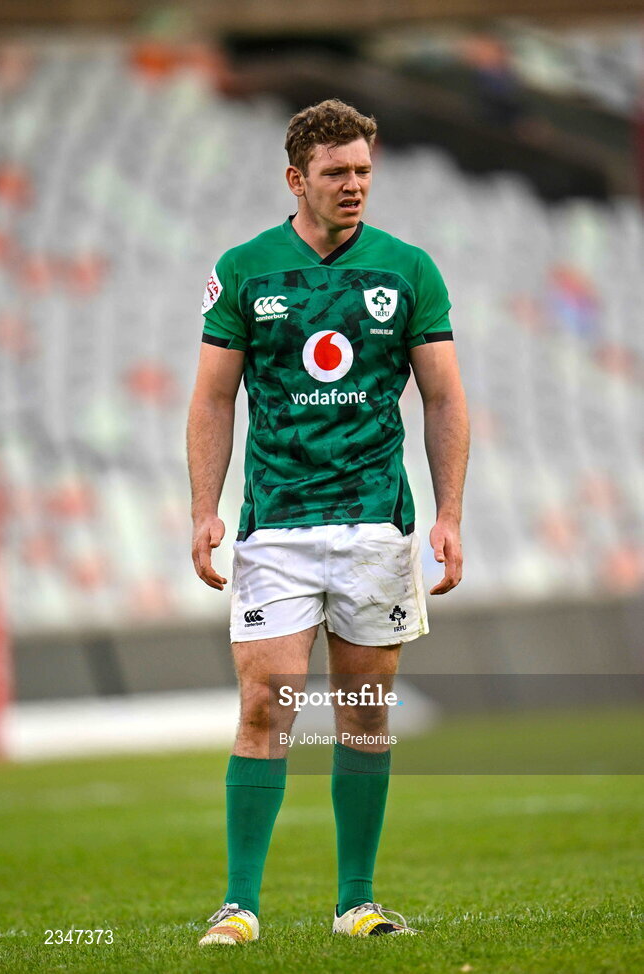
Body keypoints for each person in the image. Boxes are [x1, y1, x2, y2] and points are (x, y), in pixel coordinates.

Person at [187, 98, 469, 945]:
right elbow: (212, 397)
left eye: (363, 172)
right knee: (265, 708)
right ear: (295, 179)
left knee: (365, 712)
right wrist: (206, 508)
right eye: (336, 172)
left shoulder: (408, 268)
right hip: (275, 524)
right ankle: (239, 907)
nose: (354, 186)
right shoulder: (245, 269)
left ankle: (357, 903)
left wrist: (449, 512)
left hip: (375, 526)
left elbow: (444, 395)